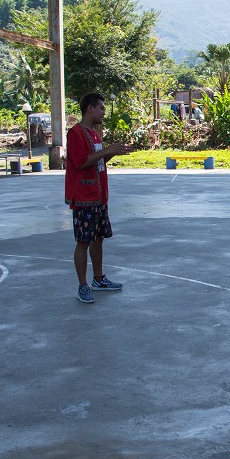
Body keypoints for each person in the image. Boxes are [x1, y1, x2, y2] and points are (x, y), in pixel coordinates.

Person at [65, 92, 132, 304]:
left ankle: (99, 278)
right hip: (84, 196)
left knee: (99, 238)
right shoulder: (76, 133)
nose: (103, 112)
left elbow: (98, 161)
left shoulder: (95, 134)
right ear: (89, 109)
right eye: (101, 108)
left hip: (99, 195)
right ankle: (82, 285)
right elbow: (80, 162)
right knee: (83, 240)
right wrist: (107, 150)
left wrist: (112, 152)